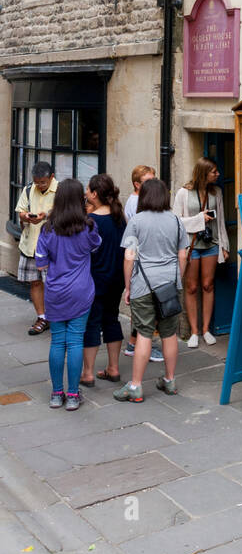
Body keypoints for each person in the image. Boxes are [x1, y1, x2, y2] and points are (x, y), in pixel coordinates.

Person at [114, 177, 187, 403]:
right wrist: (177, 280)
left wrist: (128, 286)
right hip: (170, 285)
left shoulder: (136, 222)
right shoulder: (175, 221)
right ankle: (169, 380)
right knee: (169, 333)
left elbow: (129, 257)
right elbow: (183, 254)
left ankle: (136, 385)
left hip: (143, 284)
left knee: (144, 332)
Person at [34, 178, 100, 411]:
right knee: (75, 341)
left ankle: (56, 393)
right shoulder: (89, 226)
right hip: (81, 290)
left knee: (57, 342)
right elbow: (95, 245)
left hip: (56, 291)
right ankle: (73, 395)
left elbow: (40, 263)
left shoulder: (48, 229)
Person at [173, 159, 229, 348]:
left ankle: (206, 329)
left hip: (211, 244)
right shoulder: (183, 193)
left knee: (207, 285)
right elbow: (176, 220)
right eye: (214, 171)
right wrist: (199, 219)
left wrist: (224, 246)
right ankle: (194, 332)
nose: (217, 174)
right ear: (203, 173)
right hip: (191, 245)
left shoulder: (217, 192)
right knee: (191, 287)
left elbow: (220, 221)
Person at [79, 174, 126, 387]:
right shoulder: (119, 218)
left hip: (95, 279)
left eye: (88, 190)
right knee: (112, 319)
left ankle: (87, 373)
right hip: (117, 279)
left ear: (95, 194)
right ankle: (113, 368)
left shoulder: (92, 222)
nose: (86, 193)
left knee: (92, 324)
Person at [122, 165, 163, 365]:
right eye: (148, 181)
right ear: (137, 184)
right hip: (143, 262)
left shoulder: (136, 200)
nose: (153, 183)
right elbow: (132, 245)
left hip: (143, 261)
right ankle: (143, 345)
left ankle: (133, 343)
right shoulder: (137, 202)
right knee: (147, 310)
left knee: (143, 308)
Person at [15, 161, 58, 335]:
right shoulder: (28, 189)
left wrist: (46, 215)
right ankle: (42, 317)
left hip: (52, 248)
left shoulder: (61, 191)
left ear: (51, 177)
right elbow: (20, 212)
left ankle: (57, 317)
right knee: (35, 282)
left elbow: (66, 212)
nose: (39, 185)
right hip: (31, 245)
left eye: (43, 182)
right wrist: (26, 216)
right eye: (36, 182)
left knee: (54, 284)